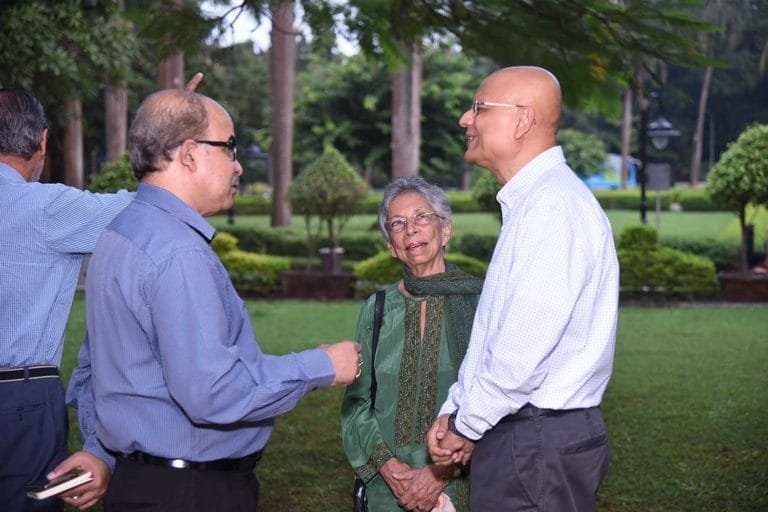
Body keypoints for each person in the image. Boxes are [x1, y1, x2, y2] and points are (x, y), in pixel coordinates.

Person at [66, 87, 361, 512]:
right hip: (188, 492)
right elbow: (214, 393)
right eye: (229, 147)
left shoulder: (123, 231)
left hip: (140, 483)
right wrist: (322, 366)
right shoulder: (177, 252)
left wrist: (98, 448)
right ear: (189, 153)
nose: (238, 164)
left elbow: (94, 367)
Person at [426, 66, 619, 511]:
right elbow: (500, 335)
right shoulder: (538, 201)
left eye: (478, 108)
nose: (464, 119)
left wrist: (466, 425)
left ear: (522, 120)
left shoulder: (551, 207)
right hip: (528, 435)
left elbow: (520, 354)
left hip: (535, 440)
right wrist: (461, 411)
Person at [0, 88, 134, 511]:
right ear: (42, 141)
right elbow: (150, 209)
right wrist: (172, 135)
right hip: (18, 400)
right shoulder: (46, 208)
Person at [342, 176, 483, 512]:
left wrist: (438, 475)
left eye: (422, 217)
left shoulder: (481, 305)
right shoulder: (376, 310)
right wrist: (389, 469)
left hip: (461, 485)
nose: (411, 230)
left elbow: (497, 398)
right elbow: (357, 402)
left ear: (445, 231)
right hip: (387, 488)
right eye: (398, 223)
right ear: (391, 245)